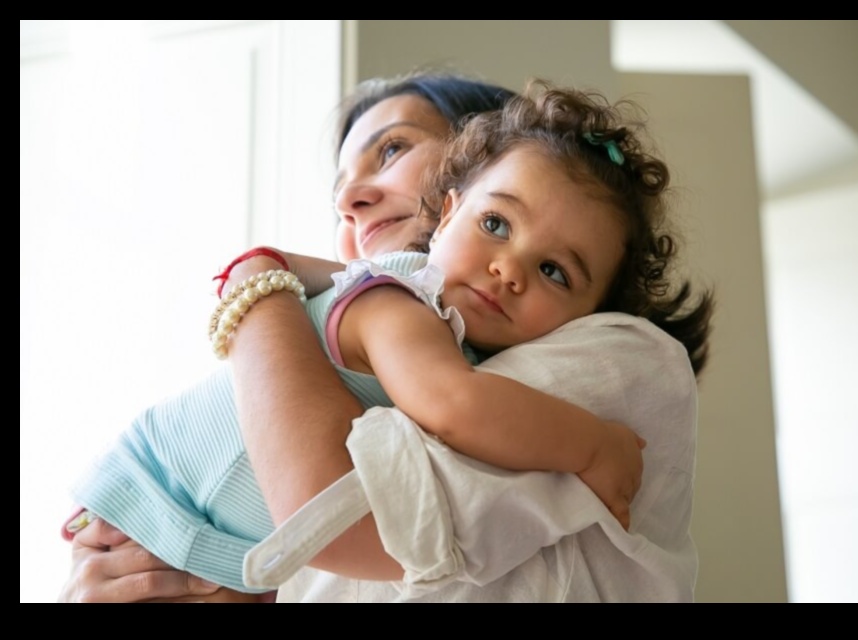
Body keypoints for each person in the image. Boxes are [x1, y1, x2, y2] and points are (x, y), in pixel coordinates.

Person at [59, 75, 656, 598]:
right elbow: (454, 404)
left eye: (555, 271)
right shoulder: (399, 303)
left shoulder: (614, 356)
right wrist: (593, 446)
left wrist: (261, 268)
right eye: (495, 224)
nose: (510, 268)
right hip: (161, 498)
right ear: (451, 211)